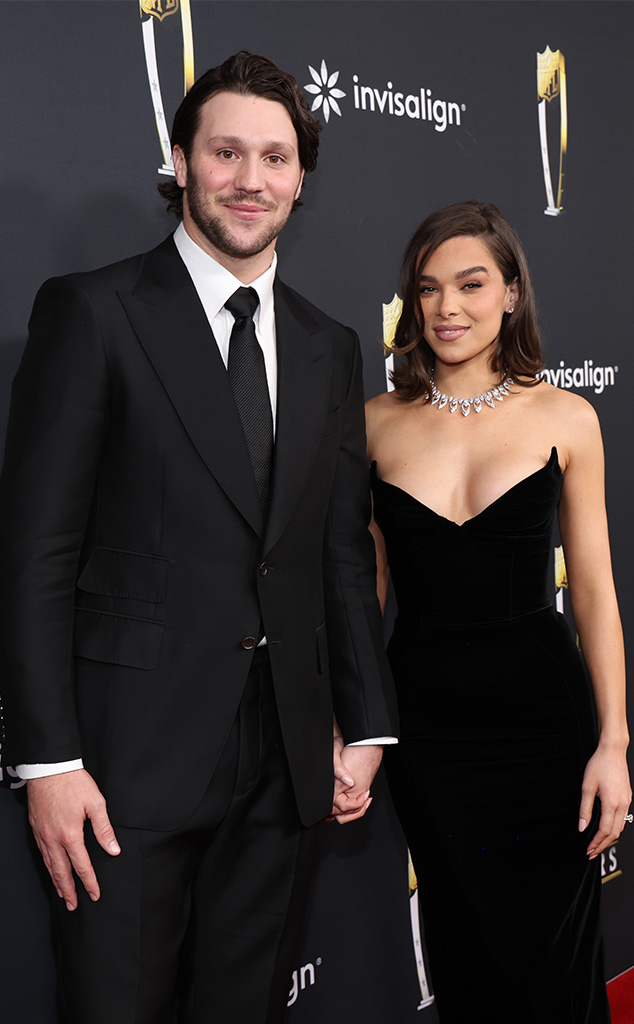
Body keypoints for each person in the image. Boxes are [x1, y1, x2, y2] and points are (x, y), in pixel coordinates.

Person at [0, 51, 397, 1024]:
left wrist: (364, 722)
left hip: (282, 767)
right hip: (118, 775)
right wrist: (47, 762)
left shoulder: (328, 345)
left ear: (300, 178)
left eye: (275, 157)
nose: (249, 179)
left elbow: (339, 554)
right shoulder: (93, 312)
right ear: (180, 161)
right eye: (226, 152)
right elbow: (34, 552)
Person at [365, 200, 631, 1023]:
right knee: (463, 950)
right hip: (427, 733)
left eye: (471, 284)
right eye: (428, 288)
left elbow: (594, 591)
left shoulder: (566, 417)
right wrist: (352, 722)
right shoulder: (373, 425)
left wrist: (614, 743)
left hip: (545, 727)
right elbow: (366, 595)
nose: (447, 307)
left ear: (512, 293)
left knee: (556, 962)